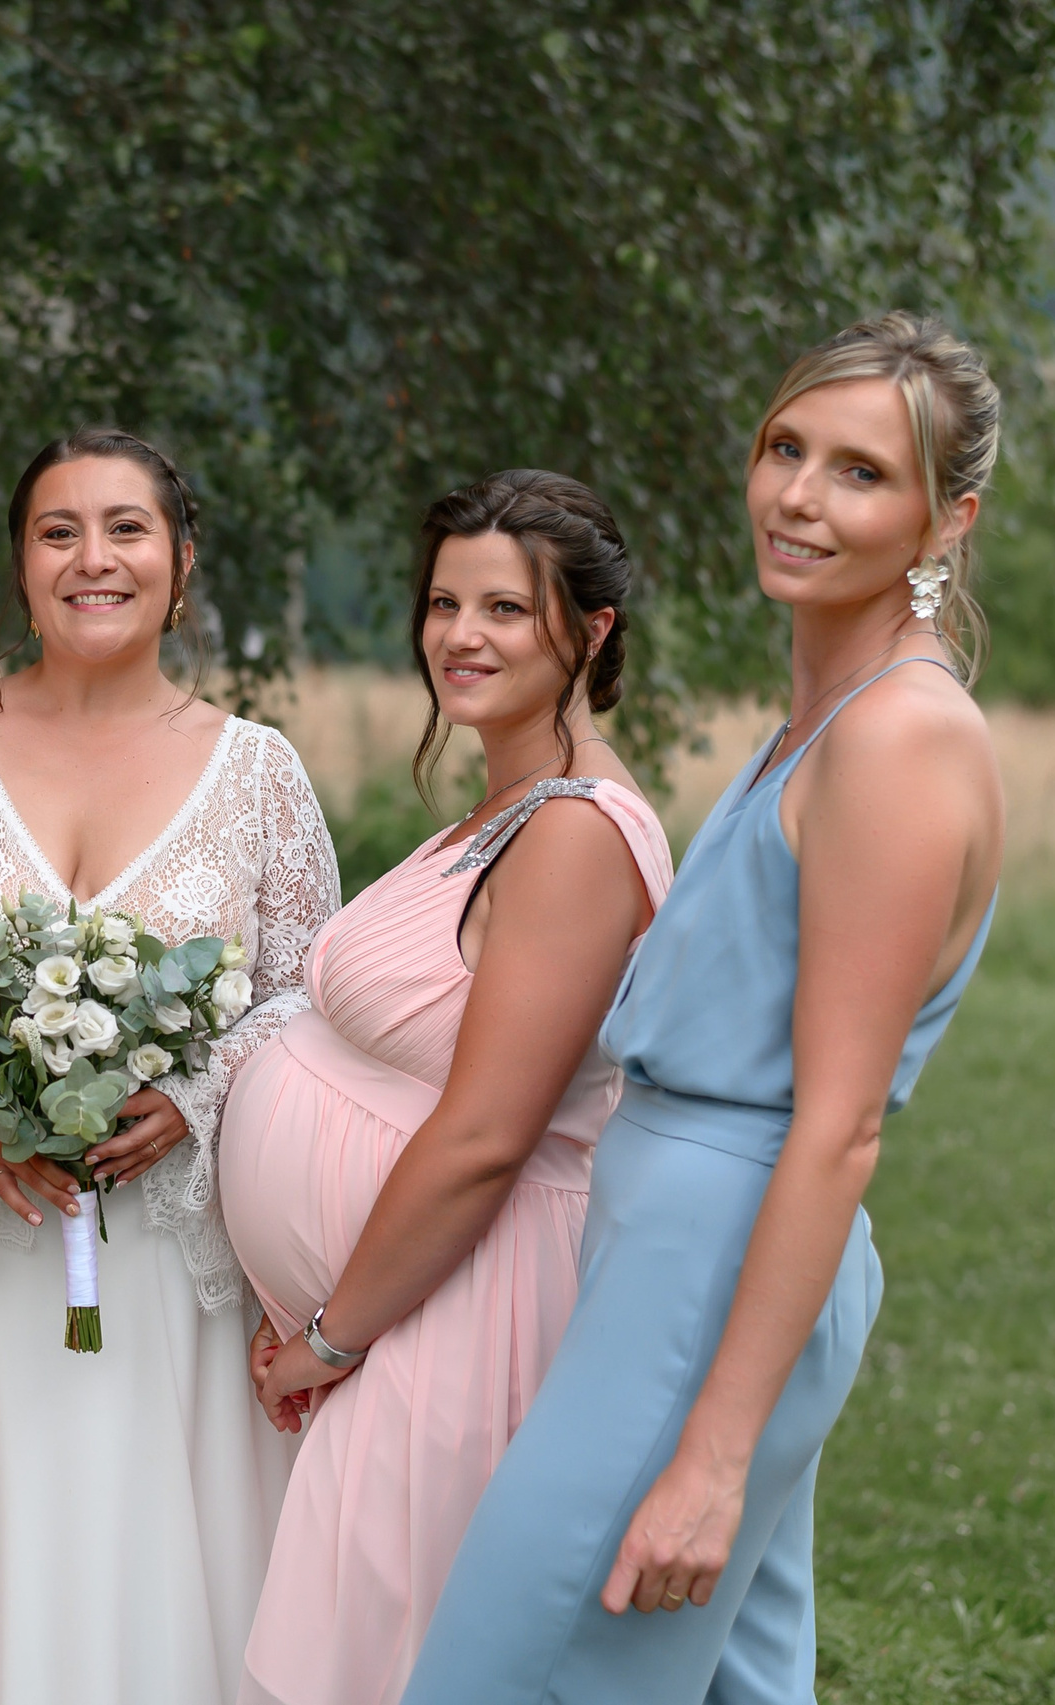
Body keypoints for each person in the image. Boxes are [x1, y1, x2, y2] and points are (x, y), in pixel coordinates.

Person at [401, 311, 1007, 1703]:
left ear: (946, 518)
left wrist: (717, 1452)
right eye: (785, 447)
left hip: (717, 1266)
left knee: (509, 1674)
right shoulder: (823, 718)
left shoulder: (902, 739)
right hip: (683, 1252)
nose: (799, 494)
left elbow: (842, 1125)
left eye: (861, 472)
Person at [0, 427, 341, 1705]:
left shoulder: (260, 772)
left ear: (181, 559)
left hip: (172, 1269)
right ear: (19, 564)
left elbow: (301, 996)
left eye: (125, 528)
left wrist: (196, 1093)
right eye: (58, 531)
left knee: (157, 1582)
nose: (92, 558)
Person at [219, 471, 673, 1705]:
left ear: (590, 630)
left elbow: (483, 1136)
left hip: (456, 1320)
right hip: (402, 1308)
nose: (459, 636)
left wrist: (328, 1334)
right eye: (441, 602)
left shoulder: (576, 835)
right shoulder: (503, 807)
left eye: (505, 610)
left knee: (389, 1664)